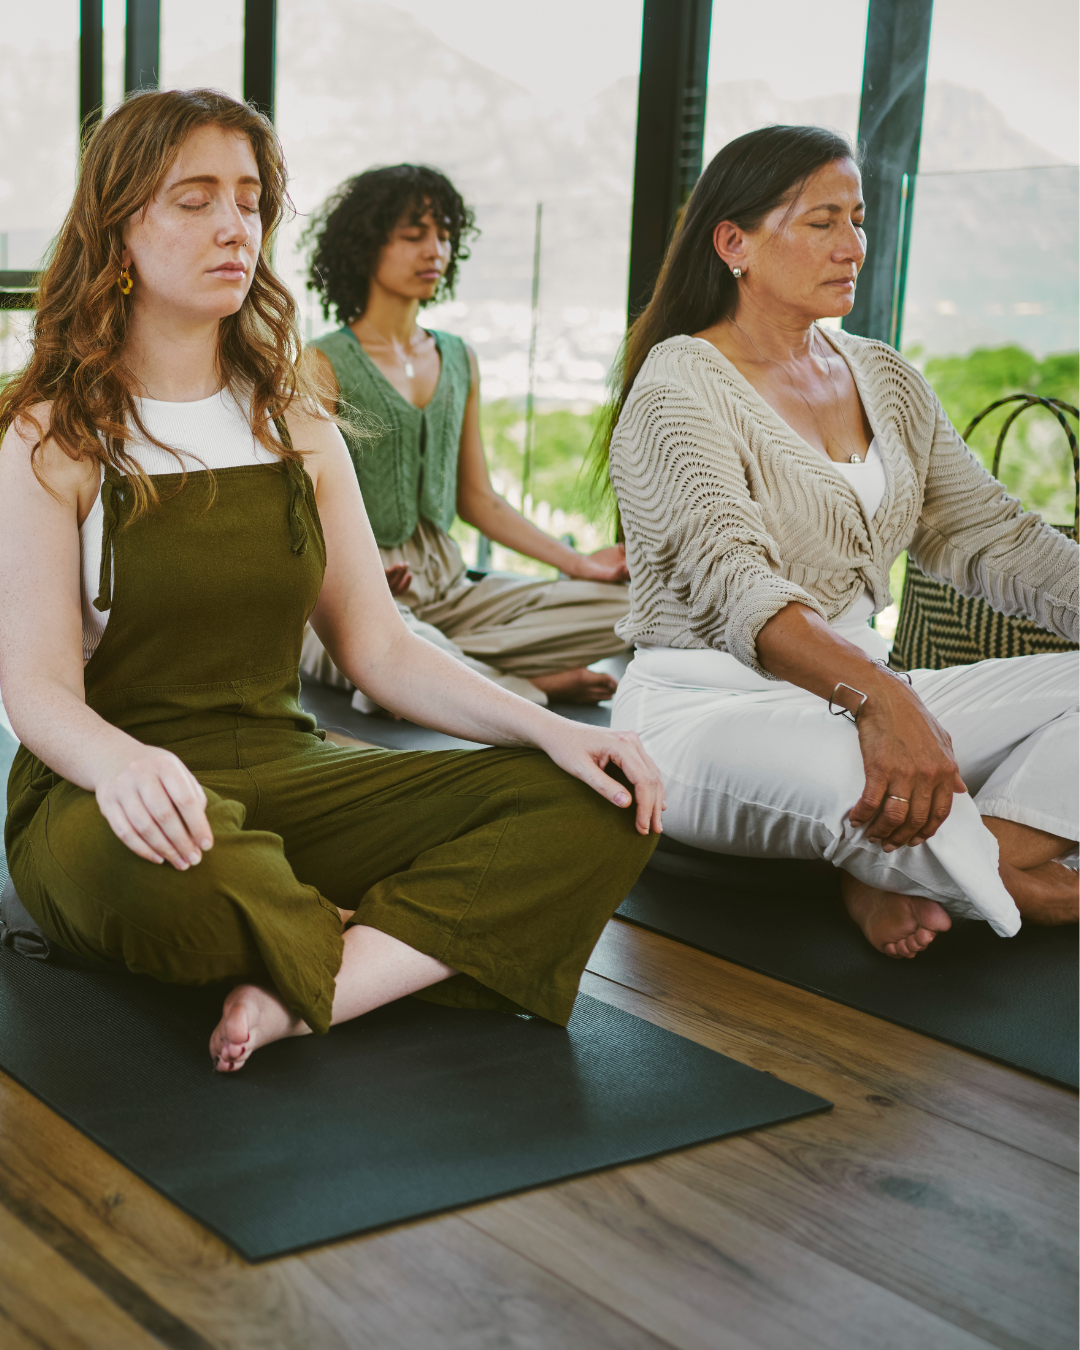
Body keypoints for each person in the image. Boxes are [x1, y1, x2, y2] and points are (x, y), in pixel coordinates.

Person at [0, 89, 663, 1074]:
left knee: (599, 802)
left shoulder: (296, 421)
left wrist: (552, 730)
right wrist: (120, 768)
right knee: (180, 878)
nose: (236, 227)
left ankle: (313, 989)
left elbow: (381, 648)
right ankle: (382, 934)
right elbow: (37, 693)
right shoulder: (49, 436)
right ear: (119, 230)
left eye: (251, 199)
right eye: (195, 200)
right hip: (108, 792)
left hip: (287, 771)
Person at [601, 124, 1077, 959]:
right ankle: (1005, 872)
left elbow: (998, 537)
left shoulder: (883, 376)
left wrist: (890, 704)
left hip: (860, 694)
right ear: (734, 242)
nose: (853, 246)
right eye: (822, 222)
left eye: (858, 220)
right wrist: (887, 702)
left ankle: (954, 865)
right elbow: (738, 587)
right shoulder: (679, 384)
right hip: (710, 710)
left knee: (909, 790)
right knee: (867, 786)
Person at [299, 164, 630, 709]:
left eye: (445, 236)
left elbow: (476, 500)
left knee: (632, 602)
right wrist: (356, 566)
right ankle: (520, 688)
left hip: (455, 593)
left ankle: (436, 673)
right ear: (365, 246)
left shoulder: (459, 357)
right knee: (388, 645)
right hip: (353, 599)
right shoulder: (319, 363)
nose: (435, 251)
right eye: (414, 236)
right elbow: (293, 502)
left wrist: (578, 565)